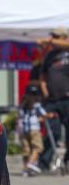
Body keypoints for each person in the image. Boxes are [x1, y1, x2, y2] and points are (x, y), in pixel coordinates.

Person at [38, 27, 69, 170]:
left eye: (56, 36)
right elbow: (43, 77)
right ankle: (44, 163)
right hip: (52, 100)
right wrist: (45, 92)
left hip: (67, 99)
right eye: (52, 36)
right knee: (52, 131)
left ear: (64, 38)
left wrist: (48, 40)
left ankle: (67, 162)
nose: (53, 39)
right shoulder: (50, 56)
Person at [18, 85, 48, 176]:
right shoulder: (37, 105)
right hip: (34, 129)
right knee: (37, 148)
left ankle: (25, 170)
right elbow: (44, 114)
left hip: (24, 130)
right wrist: (48, 116)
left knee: (26, 150)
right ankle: (30, 164)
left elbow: (20, 117)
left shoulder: (22, 104)